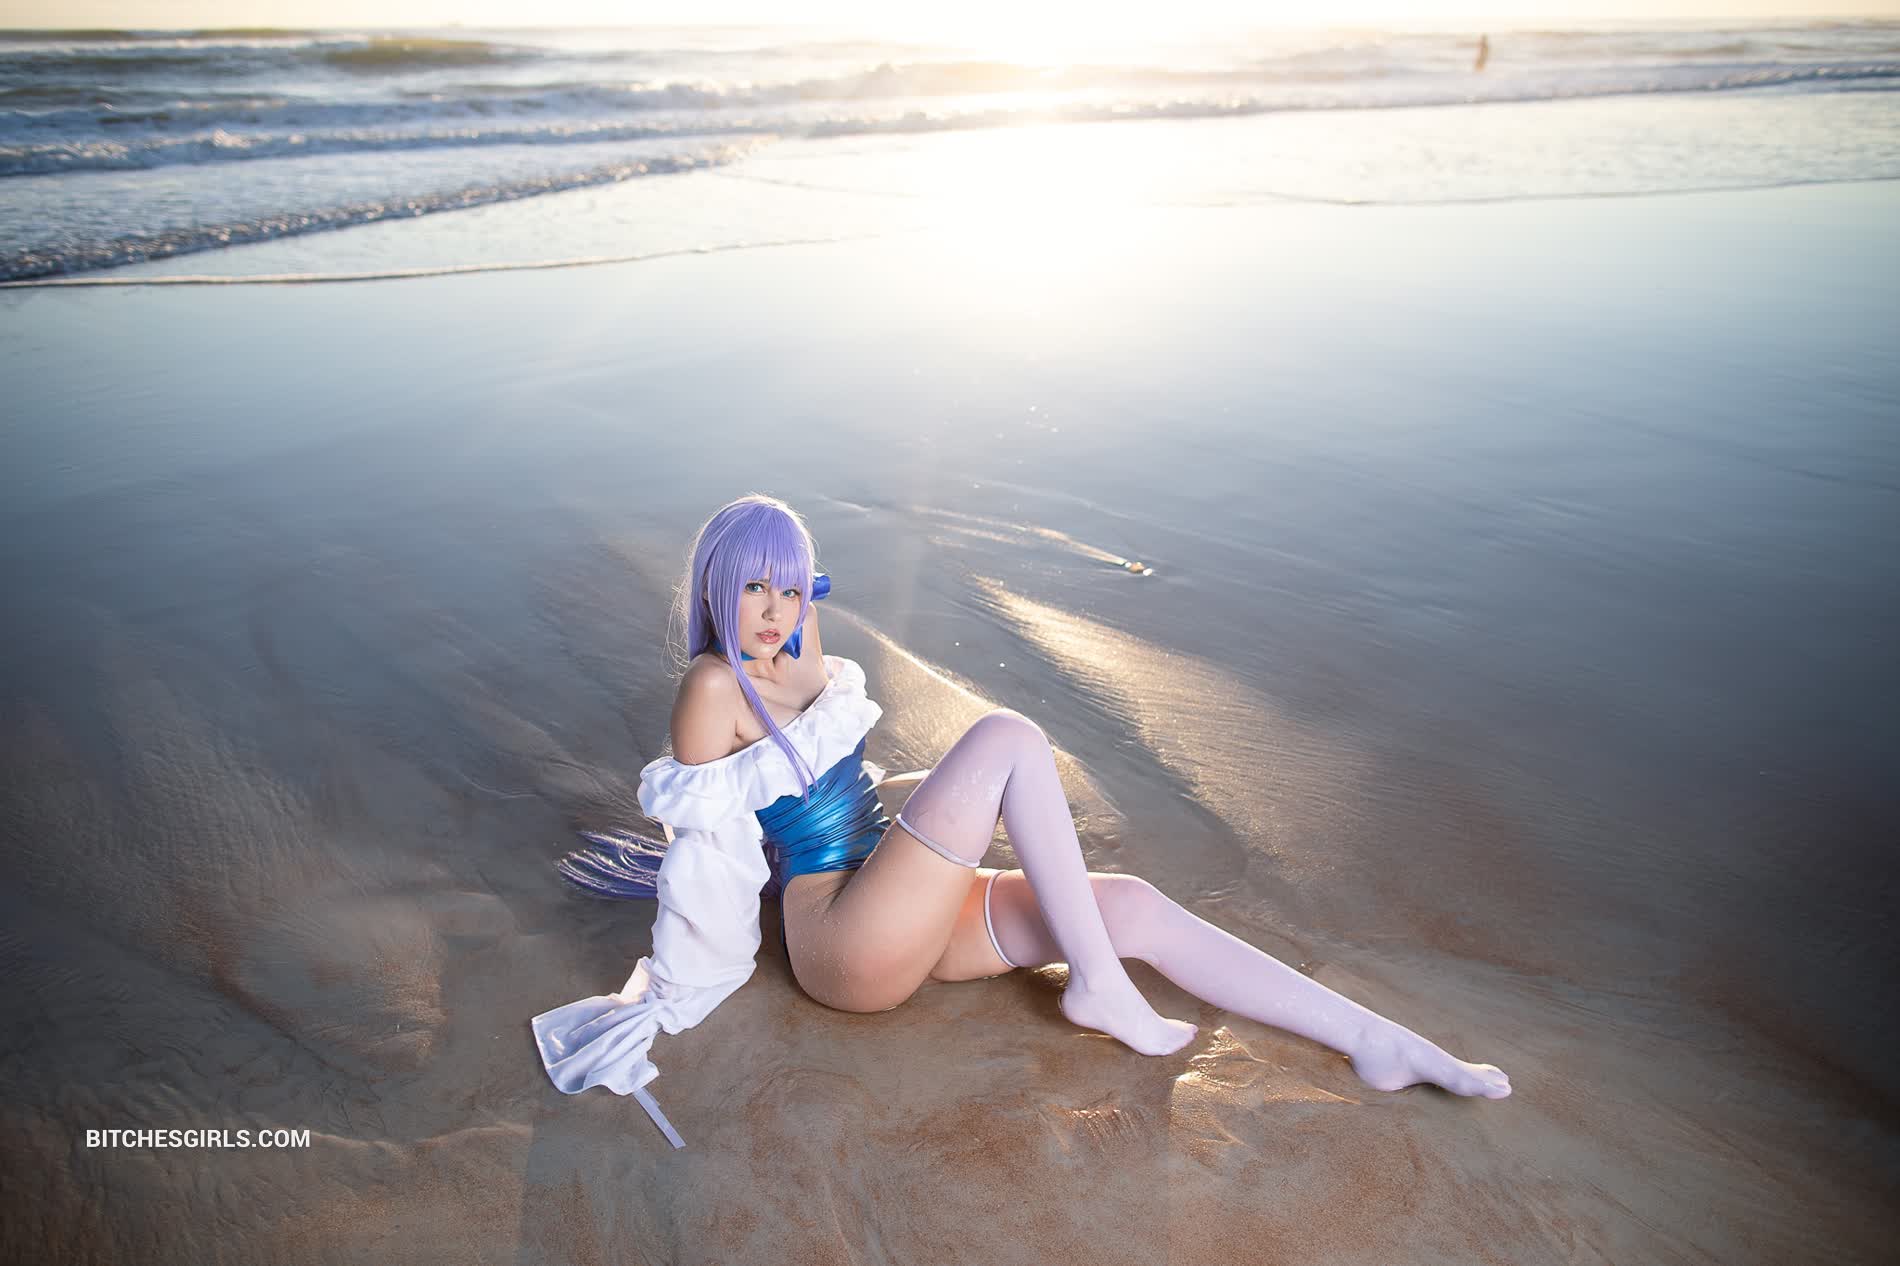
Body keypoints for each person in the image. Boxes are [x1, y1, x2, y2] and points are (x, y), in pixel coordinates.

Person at [532, 495, 1510, 1147]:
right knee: (1006, 739)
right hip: (842, 943)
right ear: (717, 584)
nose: (777, 609)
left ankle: (1379, 1039)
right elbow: (708, 849)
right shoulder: (712, 685)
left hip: (889, 894)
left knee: (1130, 904)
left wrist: (799, 606)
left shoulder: (798, 644)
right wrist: (680, 975)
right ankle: (1099, 988)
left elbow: (826, 756)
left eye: (793, 586)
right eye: (755, 585)